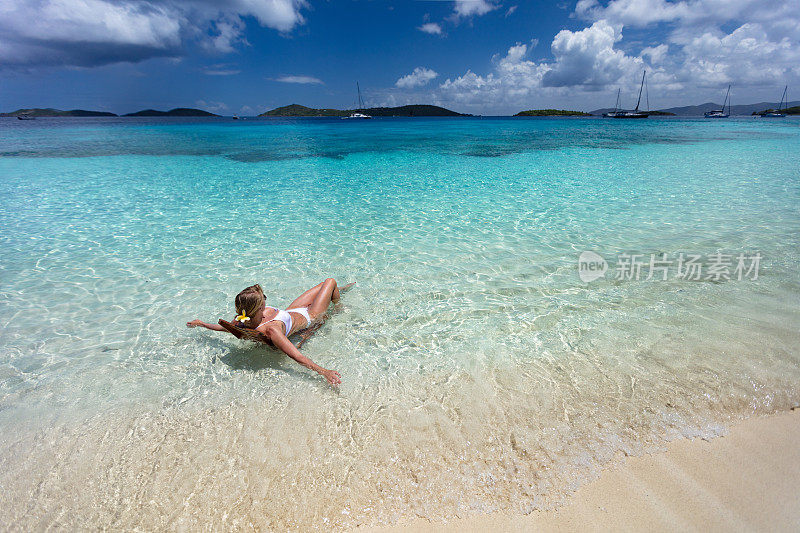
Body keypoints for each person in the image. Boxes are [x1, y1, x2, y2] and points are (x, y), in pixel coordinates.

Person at [187, 278, 343, 386]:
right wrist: (324, 372)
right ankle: (339, 308)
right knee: (330, 282)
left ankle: (332, 294)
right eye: (263, 301)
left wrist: (203, 324)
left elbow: (225, 327)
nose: (265, 302)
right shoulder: (272, 330)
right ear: (258, 309)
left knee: (324, 285)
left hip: (292, 311)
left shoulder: (244, 320)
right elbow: (297, 356)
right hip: (311, 315)